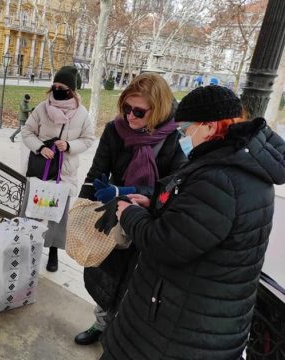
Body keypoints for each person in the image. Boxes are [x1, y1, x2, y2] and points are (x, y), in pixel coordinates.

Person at [102, 85, 285, 360]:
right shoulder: (236, 166)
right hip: (197, 316)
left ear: (209, 127)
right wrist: (155, 205)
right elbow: (197, 224)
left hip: (180, 328)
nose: (182, 136)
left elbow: (166, 243)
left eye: (185, 128)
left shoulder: (221, 178)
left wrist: (128, 213)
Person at [75, 73, 186, 347]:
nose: (130, 117)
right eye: (126, 108)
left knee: (135, 284)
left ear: (157, 109)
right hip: (115, 212)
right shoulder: (116, 130)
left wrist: (140, 196)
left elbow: (176, 184)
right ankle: (101, 324)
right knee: (105, 273)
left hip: (151, 221)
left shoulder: (176, 137)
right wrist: (82, 208)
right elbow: (97, 170)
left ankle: (120, 334)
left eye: (138, 111)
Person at [21, 65, 96, 272]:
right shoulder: (41, 108)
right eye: (54, 85)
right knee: (32, 209)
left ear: (71, 90)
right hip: (41, 169)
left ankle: (53, 251)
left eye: (62, 86)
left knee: (58, 214)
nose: (57, 89)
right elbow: (27, 132)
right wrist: (40, 147)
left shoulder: (82, 114)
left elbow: (89, 139)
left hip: (64, 172)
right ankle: (27, 247)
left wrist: (69, 146)